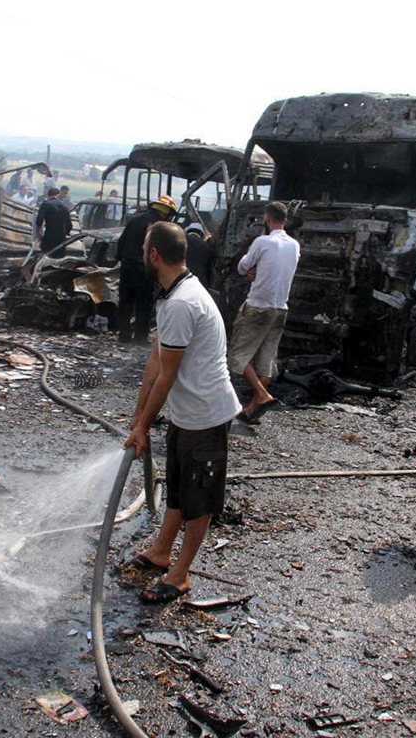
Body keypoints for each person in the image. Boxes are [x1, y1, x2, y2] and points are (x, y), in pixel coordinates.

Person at [122, 221, 241, 603]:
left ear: (153, 255)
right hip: (186, 414)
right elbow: (154, 364)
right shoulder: (171, 296)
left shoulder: (182, 302)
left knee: (198, 499)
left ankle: (180, 575)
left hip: (206, 414)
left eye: (144, 248)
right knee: (177, 487)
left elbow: (166, 377)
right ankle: (160, 552)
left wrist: (143, 427)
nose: (142, 254)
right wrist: (138, 419)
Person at [228, 202, 301, 421]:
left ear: (267, 218)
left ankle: (261, 394)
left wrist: (251, 268)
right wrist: (257, 271)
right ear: (285, 220)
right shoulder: (295, 245)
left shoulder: (263, 241)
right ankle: (252, 410)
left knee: (237, 355)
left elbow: (242, 266)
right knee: (266, 360)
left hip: (258, 305)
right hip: (281, 308)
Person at [117, 196, 177, 343]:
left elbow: (122, 241)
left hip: (127, 265)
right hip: (144, 268)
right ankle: (140, 336)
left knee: (125, 301)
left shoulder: (134, 220)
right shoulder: (160, 227)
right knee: (143, 303)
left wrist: (120, 259)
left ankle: (123, 335)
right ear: (166, 213)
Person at [34, 187, 73, 256]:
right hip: (61, 240)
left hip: (48, 238)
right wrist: (66, 233)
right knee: (58, 261)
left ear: (48, 195)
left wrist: (38, 234)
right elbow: (69, 226)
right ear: (57, 195)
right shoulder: (65, 207)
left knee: (46, 257)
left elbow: (39, 221)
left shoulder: (45, 204)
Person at [184, 222, 214, 288]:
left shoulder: (180, 240)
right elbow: (209, 271)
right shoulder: (207, 247)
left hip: (179, 280)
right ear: (201, 234)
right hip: (199, 284)